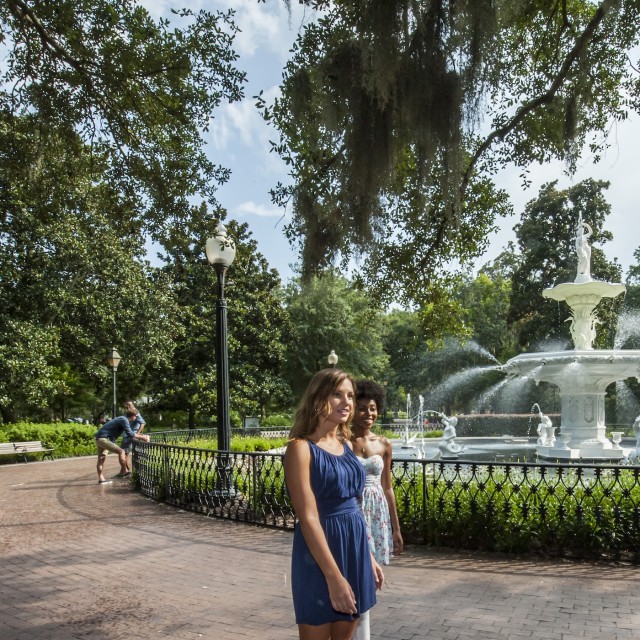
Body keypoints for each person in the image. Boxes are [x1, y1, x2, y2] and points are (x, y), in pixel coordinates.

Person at [284, 368, 384, 640]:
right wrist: (333, 577)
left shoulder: (347, 445)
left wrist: (369, 555)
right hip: (319, 555)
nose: (347, 402)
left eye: (350, 395)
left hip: (354, 547)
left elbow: (354, 504)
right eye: (337, 394)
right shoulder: (300, 448)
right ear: (318, 398)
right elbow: (308, 517)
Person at [350, 380, 403, 640]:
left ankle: (362, 632)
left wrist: (396, 528)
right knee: (353, 571)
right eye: (362, 408)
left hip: (375, 512)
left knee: (368, 578)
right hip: (352, 510)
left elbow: (388, 487)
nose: (368, 414)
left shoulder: (383, 444)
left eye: (372, 408)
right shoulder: (342, 440)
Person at [94, 411, 149, 484]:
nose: (136, 418)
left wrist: (140, 436)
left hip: (99, 438)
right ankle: (125, 471)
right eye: (136, 416)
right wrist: (143, 437)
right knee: (121, 451)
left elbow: (130, 433)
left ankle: (101, 479)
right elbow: (130, 434)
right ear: (133, 416)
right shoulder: (124, 420)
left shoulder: (122, 419)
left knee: (101, 459)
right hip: (104, 439)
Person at [120, 400, 146, 474]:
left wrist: (137, 433)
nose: (127, 407)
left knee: (124, 453)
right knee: (126, 454)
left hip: (129, 436)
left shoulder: (135, 413)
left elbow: (143, 423)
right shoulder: (130, 413)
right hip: (128, 435)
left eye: (129, 405)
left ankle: (127, 471)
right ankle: (127, 470)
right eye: (126, 405)